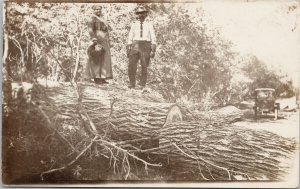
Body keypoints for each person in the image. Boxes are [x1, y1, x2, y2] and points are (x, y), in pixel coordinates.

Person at [126, 5, 157, 89]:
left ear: (145, 14)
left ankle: (142, 84)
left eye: (142, 13)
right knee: (132, 65)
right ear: (137, 14)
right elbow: (130, 36)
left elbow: (153, 37)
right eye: (139, 13)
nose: (141, 15)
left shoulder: (149, 25)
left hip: (146, 46)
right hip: (135, 45)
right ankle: (132, 83)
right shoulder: (134, 25)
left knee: (144, 66)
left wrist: (153, 49)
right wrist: (128, 47)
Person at [85, 5, 113, 84]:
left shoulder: (103, 19)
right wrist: (94, 39)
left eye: (100, 9)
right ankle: (96, 78)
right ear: (93, 10)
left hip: (104, 39)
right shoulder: (92, 18)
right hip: (97, 39)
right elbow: (90, 30)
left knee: (105, 58)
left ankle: (103, 77)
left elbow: (107, 30)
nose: (98, 11)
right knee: (96, 57)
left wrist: (109, 40)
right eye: (97, 9)